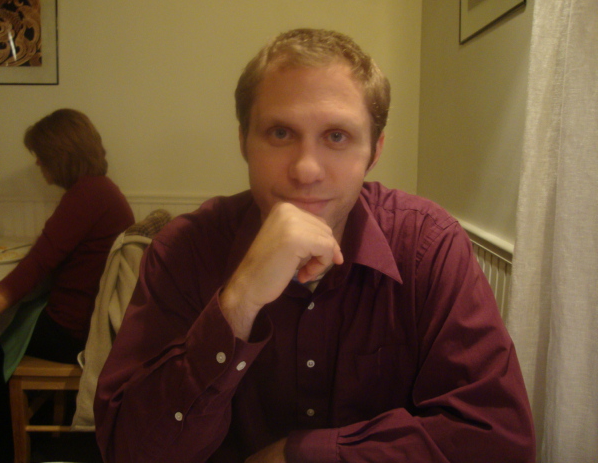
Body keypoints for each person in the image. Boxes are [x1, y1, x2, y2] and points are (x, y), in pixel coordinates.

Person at [95, 29, 536, 462]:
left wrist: (303, 454)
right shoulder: (185, 250)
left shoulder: (429, 248)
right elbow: (129, 451)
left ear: (374, 151)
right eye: (280, 133)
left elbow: (498, 442)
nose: (306, 170)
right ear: (244, 141)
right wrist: (237, 305)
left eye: (336, 136)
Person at [0, 108, 135, 462]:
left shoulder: (86, 196)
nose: (37, 163)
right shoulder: (100, 191)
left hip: (72, 329)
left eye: (40, 155)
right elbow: (43, 260)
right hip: (85, 319)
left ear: (59, 155)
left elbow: (35, 266)